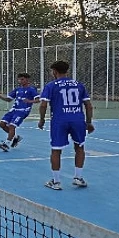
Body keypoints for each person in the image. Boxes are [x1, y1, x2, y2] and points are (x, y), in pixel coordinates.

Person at [38, 60, 94, 191]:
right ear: (67, 71)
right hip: (78, 120)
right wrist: (89, 122)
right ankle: (78, 178)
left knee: (56, 150)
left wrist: (41, 120)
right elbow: (88, 105)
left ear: (54, 72)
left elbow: (43, 105)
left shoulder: (51, 85)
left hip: (60, 120)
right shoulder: (79, 85)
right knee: (79, 147)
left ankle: (56, 182)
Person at [0, 73, 38, 152]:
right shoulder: (17, 89)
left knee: (11, 126)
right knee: (1, 124)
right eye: (19, 79)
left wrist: (29, 101)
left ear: (27, 80)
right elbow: (9, 99)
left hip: (22, 111)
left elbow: (38, 100)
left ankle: (6, 144)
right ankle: (15, 138)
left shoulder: (31, 89)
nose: (20, 81)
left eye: (22, 79)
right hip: (14, 110)